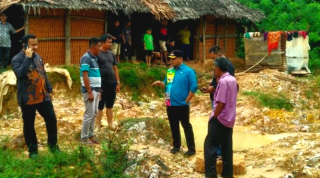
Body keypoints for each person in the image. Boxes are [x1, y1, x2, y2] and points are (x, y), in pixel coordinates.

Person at [11, 34, 59, 158]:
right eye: (33, 44)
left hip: (43, 96)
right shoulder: (17, 59)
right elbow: (20, 74)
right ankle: (33, 152)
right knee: (29, 125)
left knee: (51, 119)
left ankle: (53, 147)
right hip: (27, 99)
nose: (36, 47)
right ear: (25, 45)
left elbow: (43, 73)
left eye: (37, 44)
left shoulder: (38, 57)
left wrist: (48, 88)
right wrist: (27, 58)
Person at [152, 50, 197, 157]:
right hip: (170, 103)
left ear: (180, 59)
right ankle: (176, 145)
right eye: (170, 58)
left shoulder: (188, 71)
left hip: (182, 105)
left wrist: (186, 101)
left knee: (186, 125)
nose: (171, 60)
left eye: (173, 58)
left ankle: (191, 149)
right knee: (173, 125)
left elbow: (194, 87)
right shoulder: (170, 71)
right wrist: (160, 83)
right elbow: (166, 84)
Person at [204, 57, 238, 178]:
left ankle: (211, 175)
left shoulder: (223, 82)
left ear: (218, 69)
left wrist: (215, 116)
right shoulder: (233, 80)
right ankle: (228, 174)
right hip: (230, 120)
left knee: (209, 145)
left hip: (220, 119)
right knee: (227, 147)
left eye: (215, 68)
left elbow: (221, 102)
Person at [96, 34, 120, 131]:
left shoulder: (111, 54)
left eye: (111, 42)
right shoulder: (97, 54)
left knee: (110, 105)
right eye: (108, 42)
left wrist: (118, 82)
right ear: (102, 42)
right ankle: (97, 125)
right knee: (100, 105)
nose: (110, 44)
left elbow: (115, 68)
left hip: (112, 83)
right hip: (101, 83)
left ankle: (110, 124)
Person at [80, 38, 102, 145]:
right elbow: (85, 75)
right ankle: (84, 138)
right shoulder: (86, 58)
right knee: (89, 114)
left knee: (94, 113)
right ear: (93, 47)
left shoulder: (95, 58)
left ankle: (91, 135)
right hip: (91, 90)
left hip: (96, 90)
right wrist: (89, 92)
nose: (100, 48)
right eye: (99, 46)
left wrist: (99, 90)